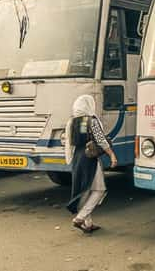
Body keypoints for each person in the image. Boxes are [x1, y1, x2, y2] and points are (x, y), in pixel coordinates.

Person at [64, 95, 118, 234]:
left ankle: (88, 224)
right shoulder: (92, 121)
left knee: (85, 190)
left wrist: (70, 159)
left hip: (77, 157)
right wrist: (111, 155)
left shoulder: (72, 122)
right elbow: (101, 140)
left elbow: (68, 142)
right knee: (99, 190)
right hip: (90, 157)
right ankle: (80, 218)